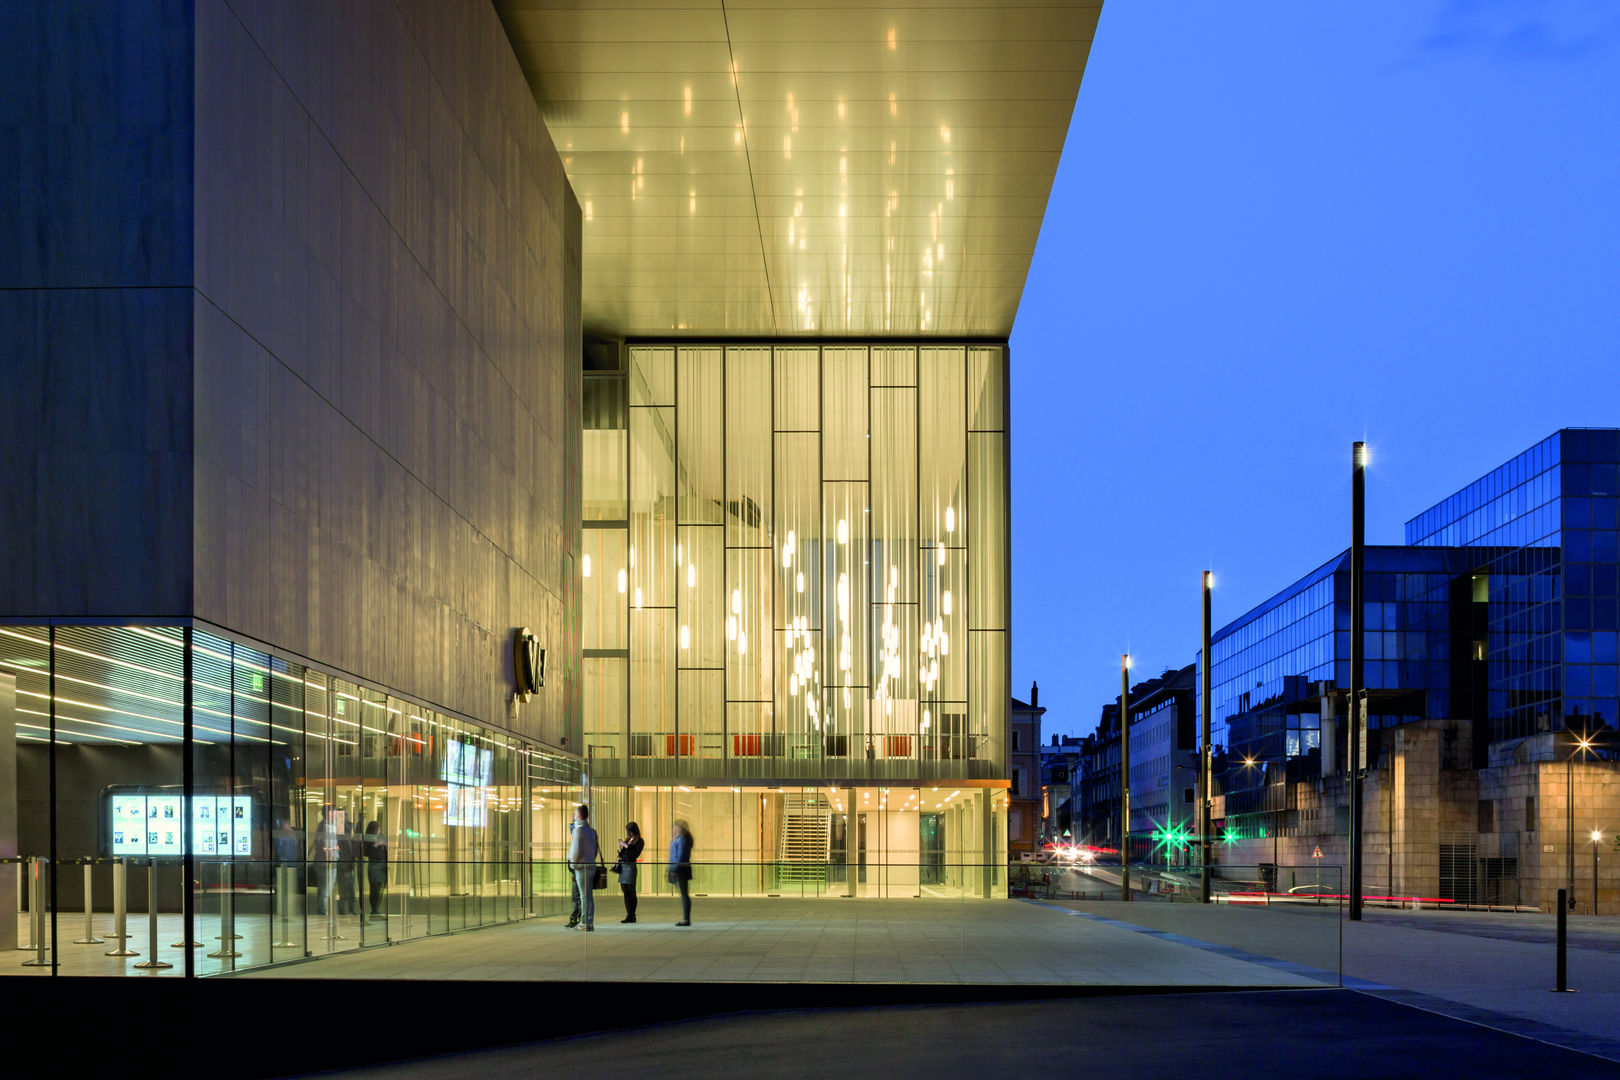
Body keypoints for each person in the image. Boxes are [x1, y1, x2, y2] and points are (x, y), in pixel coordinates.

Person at [566, 804, 599, 931]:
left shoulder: (578, 830)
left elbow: (575, 850)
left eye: (575, 813)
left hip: (581, 867)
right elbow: (595, 851)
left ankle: (584, 922)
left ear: (579, 815)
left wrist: (573, 865)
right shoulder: (591, 831)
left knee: (583, 896)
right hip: (590, 865)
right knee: (588, 896)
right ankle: (589, 922)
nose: (574, 816)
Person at [616, 821, 645, 923]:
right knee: (625, 891)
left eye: (629, 831)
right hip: (624, 867)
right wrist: (620, 848)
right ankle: (629, 914)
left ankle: (632, 915)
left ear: (633, 831)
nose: (628, 833)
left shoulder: (639, 841)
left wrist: (626, 845)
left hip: (631, 867)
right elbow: (623, 855)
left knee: (631, 891)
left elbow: (634, 854)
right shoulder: (628, 840)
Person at [310, 809, 337, 916]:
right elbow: (322, 846)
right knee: (324, 890)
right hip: (325, 862)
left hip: (328, 861)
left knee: (326, 889)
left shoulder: (329, 826)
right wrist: (330, 854)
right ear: (329, 813)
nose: (335, 814)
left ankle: (323, 911)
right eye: (333, 812)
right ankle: (322, 912)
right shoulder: (325, 827)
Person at [667, 819, 694, 926]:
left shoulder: (682, 839)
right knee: (684, 894)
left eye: (675, 827)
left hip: (681, 869)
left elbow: (681, 855)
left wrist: (674, 868)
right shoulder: (679, 839)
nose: (673, 829)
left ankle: (686, 919)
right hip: (679, 868)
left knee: (684, 894)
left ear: (680, 828)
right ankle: (686, 918)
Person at [364, 820, 388, 920]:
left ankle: (376, 911)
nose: (379, 831)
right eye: (377, 829)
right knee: (375, 890)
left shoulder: (381, 838)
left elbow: (386, 851)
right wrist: (374, 845)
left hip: (382, 865)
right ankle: (374, 912)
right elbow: (365, 853)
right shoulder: (368, 840)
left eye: (379, 829)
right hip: (374, 865)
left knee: (381, 889)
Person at [337, 820, 360, 915]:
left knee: (348, 890)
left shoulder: (348, 838)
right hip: (344, 866)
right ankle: (346, 911)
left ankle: (349, 910)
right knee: (345, 890)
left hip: (346, 866)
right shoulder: (342, 838)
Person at [566, 814, 582, 929]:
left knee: (577, 897)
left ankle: (577, 918)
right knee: (577, 897)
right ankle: (576, 918)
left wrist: (574, 871)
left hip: (578, 871)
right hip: (576, 870)